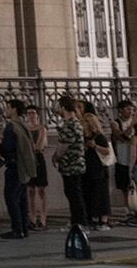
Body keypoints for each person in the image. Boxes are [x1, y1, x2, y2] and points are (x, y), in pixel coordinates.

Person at [0, 100, 37, 239]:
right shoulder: (23, 125)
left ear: (14, 109)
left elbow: (7, 148)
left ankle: (17, 229)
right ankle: (24, 228)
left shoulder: (11, 126)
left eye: (8, 107)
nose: (6, 110)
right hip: (24, 166)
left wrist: (0, 143)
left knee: (11, 197)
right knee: (21, 198)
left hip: (14, 166)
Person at [53, 96, 88, 230]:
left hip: (71, 165)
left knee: (74, 195)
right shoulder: (76, 123)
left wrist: (55, 157)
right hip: (76, 164)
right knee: (74, 194)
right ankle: (77, 221)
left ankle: (79, 222)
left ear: (63, 107)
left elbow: (64, 146)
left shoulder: (70, 125)